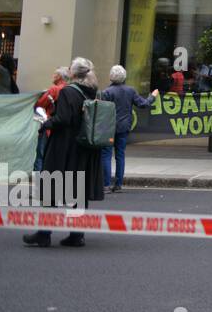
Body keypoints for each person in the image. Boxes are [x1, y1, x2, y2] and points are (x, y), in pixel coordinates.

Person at [22, 57, 104, 249]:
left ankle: (44, 233)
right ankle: (76, 235)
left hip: (64, 148)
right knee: (78, 193)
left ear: (74, 73)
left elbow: (63, 119)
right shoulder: (92, 92)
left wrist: (45, 123)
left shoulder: (69, 92)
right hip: (84, 149)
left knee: (52, 188)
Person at [100, 65, 159, 193]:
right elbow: (143, 104)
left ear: (111, 77)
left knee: (106, 155)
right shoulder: (130, 91)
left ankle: (106, 184)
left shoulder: (106, 92)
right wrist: (153, 97)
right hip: (124, 126)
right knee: (120, 155)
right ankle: (119, 184)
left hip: (109, 127)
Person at [34, 66, 69, 172]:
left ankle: (39, 179)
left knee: (41, 154)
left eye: (54, 74)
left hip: (49, 125)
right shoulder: (69, 89)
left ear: (59, 76)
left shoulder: (54, 89)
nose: (53, 76)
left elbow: (40, 104)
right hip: (63, 128)